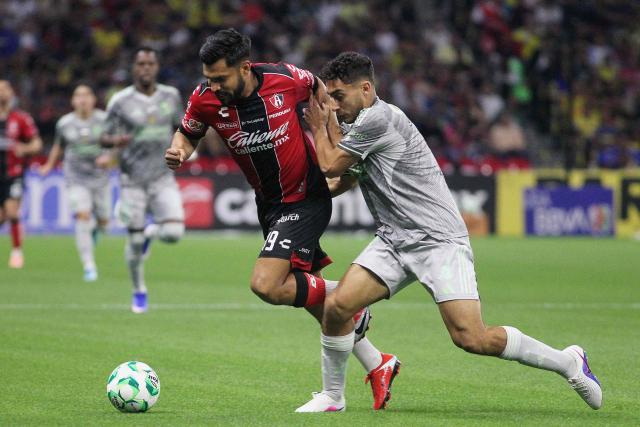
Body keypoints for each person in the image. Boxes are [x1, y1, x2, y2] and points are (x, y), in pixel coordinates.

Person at [299, 51, 603, 412]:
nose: (333, 105)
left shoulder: (380, 119)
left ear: (366, 89)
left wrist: (319, 125)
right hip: (394, 240)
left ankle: (567, 361)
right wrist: (304, 198)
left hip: (437, 241)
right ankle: (333, 396)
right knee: (337, 307)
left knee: (471, 338)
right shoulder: (359, 122)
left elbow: (331, 162)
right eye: (329, 97)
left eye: (339, 96)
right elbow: (344, 178)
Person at [165, 28, 399, 410]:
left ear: (245, 67)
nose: (213, 86)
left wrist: (334, 142)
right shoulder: (204, 99)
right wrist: (179, 151)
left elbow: (322, 92)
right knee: (313, 299)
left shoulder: (286, 79)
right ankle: (378, 363)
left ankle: (353, 295)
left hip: (306, 198)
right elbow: (187, 133)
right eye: (208, 79)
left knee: (267, 284)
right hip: (269, 205)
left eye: (220, 78)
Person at [101, 47, 185, 313]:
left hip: (162, 177)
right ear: (134, 68)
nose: (145, 68)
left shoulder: (170, 96)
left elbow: (183, 127)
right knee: (134, 243)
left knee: (173, 233)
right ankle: (139, 290)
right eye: (141, 64)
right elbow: (103, 137)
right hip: (131, 180)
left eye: (150, 63)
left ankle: (152, 231)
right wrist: (115, 141)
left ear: (157, 67)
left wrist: (182, 150)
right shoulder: (120, 101)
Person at [40, 84, 111, 281]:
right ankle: (89, 265)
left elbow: (115, 145)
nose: (82, 99)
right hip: (75, 178)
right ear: (73, 101)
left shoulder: (104, 120)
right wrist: (48, 165)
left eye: (86, 95)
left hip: (100, 179)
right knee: (82, 215)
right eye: (78, 95)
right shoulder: (64, 123)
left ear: (93, 100)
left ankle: (96, 230)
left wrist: (110, 159)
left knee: (105, 221)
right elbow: (58, 146)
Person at [0, 79, 42, 269]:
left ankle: (17, 252)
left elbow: (37, 144)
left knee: (12, 211)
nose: (2, 92)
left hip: (12, 173)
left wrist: (23, 149)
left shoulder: (21, 118)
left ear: (11, 94)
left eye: (5, 89)